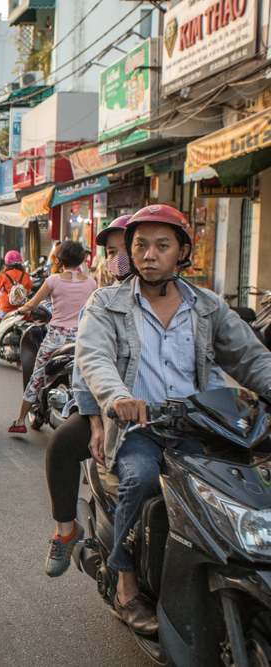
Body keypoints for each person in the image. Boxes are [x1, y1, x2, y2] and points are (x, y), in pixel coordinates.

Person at [77, 204, 271, 635]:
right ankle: (124, 583)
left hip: (204, 428)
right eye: (141, 245)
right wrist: (119, 397)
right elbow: (94, 357)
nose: (149, 255)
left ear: (182, 251)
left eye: (161, 246)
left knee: (246, 488)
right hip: (140, 430)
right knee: (143, 480)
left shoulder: (208, 306)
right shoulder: (106, 303)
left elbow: (251, 359)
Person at [42, 216, 133, 578]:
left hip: (178, 415)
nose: (123, 258)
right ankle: (67, 530)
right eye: (114, 252)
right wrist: (96, 419)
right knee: (61, 445)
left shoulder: (198, 304)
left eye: (129, 249)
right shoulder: (102, 299)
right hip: (113, 410)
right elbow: (87, 362)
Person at [8, 241, 97, 433]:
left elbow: (32, 304)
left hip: (56, 337)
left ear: (58, 259)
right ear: (82, 259)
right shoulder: (91, 283)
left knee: (38, 375)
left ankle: (21, 420)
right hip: (82, 339)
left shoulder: (54, 280)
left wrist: (21, 310)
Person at [0, 251, 33, 343]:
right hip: (21, 311)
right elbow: (28, 292)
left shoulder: (3, 276)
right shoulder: (25, 275)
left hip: (5, 311)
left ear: (6, 263)